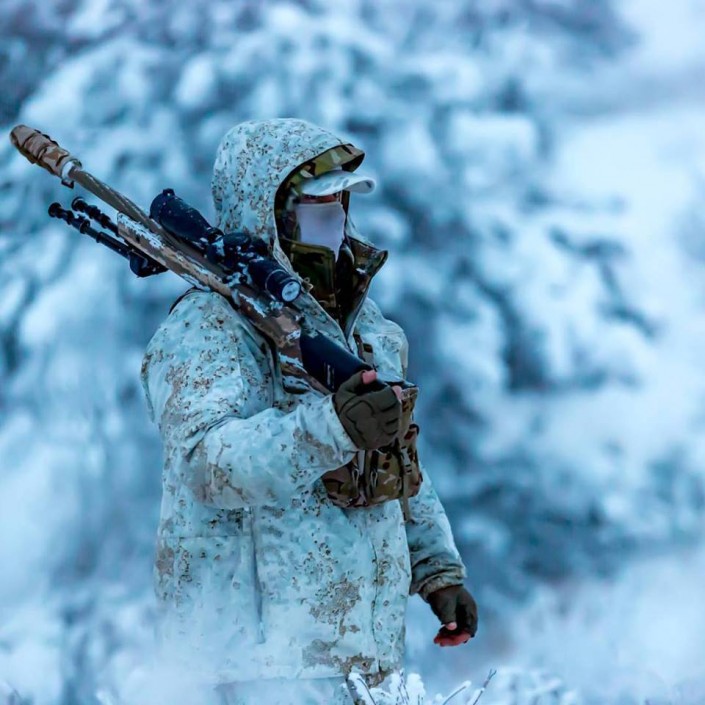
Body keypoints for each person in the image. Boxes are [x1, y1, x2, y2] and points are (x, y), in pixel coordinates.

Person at [140, 118, 478, 705]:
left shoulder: (367, 327)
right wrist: (331, 428)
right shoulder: (209, 326)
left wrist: (438, 570)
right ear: (270, 213)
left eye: (340, 202)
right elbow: (205, 464)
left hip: (363, 663)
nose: (336, 219)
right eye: (316, 206)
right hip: (247, 669)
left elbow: (395, 453)